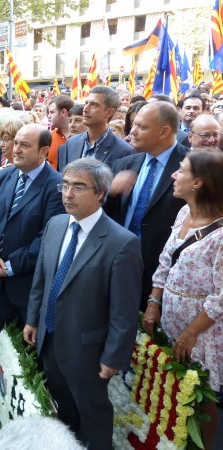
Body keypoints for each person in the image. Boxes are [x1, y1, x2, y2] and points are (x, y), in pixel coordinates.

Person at [24, 158, 143, 450]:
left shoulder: (122, 243)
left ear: (101, 193)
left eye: (78, 187)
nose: (68, 194)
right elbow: (42, 278)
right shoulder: (54, 225)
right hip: (49, 340)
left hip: (88, 352)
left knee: (93, 417)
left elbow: (124, 310)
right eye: (64, 185)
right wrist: (32, 319)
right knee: (63, 412)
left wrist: (114, 356)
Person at [142, 151, 223, 450]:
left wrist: (191, 334)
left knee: (202, 401)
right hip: (172, 321)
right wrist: (153, 303)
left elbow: (221, 298)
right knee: (175, 390)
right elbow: (165, 261)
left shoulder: (221, 234)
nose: (174, 175)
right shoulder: (183, 213)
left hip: (202, 333)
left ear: (199, 182)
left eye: (181, 171)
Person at [0, 123, 65, 326]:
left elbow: (47, 237)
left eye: (24, 145)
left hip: (30, 285)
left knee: (27, 351)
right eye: (15, 142)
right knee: (6, 340)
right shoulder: (3, 175)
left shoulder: (56, 185)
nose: (16, 149)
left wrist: (11, 266)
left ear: (44, 151)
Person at [105, 101, 188, 309]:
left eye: (141, 127)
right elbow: (104, 216)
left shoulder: (190, 165)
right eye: (133, 124)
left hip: (165, 274)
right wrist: (110, 193)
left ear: (164, 131)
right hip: (120, 264)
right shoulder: (125, 163)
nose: (132, 131)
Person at [57, 86, 134, 172]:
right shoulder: (71, 143)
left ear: (109, 112)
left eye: (94, 105)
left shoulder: (124, 151)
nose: (85, 109)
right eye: (86, 103)